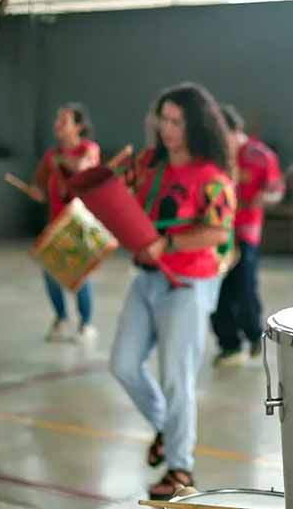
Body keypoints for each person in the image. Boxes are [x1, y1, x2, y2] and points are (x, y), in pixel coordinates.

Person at [109, 82, 235, 499]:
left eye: (177, 121)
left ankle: (181, 469)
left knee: (177, 378)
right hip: (146, 278)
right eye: (163, 119)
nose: (168, 129)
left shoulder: (212, 177)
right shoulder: (146, 164)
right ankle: (167, 429)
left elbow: (219, 231)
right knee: (124, 365)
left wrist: (171, 243)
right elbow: (116, 195)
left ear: (195, 125)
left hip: (187, 284)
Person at [211, 104, 285, 367]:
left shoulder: (259, 155)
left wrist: (266, 197)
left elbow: (276, 189)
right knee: (218, 290)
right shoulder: (214, 156)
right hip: (216, 232)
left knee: (243, 285)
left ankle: (254, 335)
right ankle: (229, 344)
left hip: (245, 231)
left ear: (236, 131)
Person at [31, 104, 101, 343]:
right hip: (57, 223)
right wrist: (37, 192)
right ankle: (61, 318)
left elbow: (83, 169)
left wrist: (60, 159)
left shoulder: (88, 149)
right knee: (51, 273)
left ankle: (86, 324)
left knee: (80, 275)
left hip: (81, 223)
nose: (57, 125)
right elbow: (39, 183)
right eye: (57, 120)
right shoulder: (50, 157)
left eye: (64, 121)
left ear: (78, 127)